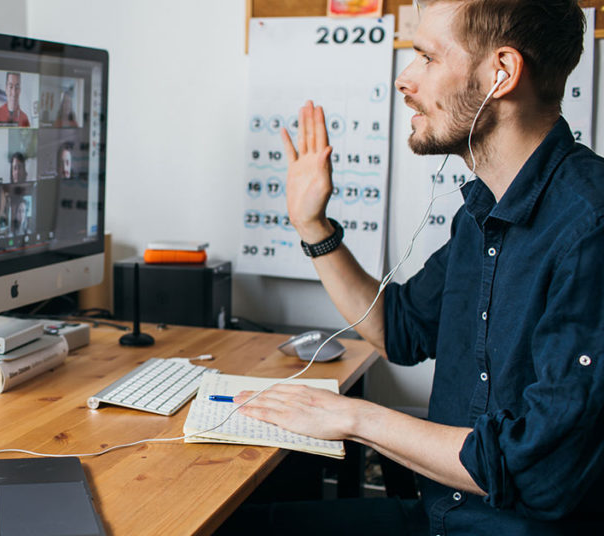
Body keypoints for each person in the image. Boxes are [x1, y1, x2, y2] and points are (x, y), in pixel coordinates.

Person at [221, 1, 603, 534]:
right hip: (440, 517)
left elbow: (540, 469)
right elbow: (396, 329)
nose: (405, 79)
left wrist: (355, 418)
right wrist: (313, 226)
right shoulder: (482, 214)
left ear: (502, 73)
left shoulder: (590, 226)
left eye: (425, 57)